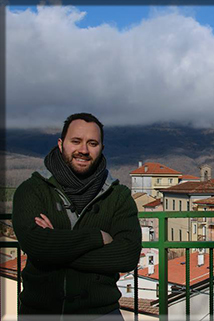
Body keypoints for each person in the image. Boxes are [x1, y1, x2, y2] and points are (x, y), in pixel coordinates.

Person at [12, 113, 142, 321]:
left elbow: (127, 255)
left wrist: (56, 245)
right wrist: (97, 238)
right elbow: (36, 245)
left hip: (101, 313)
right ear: (61, 143)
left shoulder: (118, 196)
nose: (83, 150)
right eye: (76, 141)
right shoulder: (32, 190)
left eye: (92, 143)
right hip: (40, 312)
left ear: (101, 148)